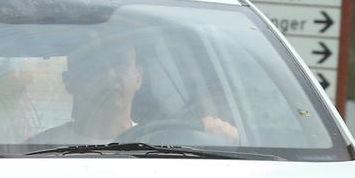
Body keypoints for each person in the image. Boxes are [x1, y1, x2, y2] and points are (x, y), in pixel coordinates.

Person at [31, 37, 237, 145]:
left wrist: (221, 134)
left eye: (119, 62)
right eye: (94, 65)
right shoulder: (35, 150)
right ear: (70, 82)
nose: (110, 74)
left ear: (139, 77)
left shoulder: (166, 147)